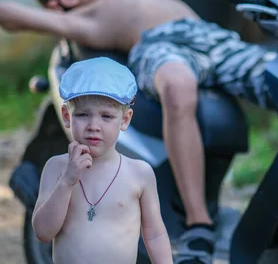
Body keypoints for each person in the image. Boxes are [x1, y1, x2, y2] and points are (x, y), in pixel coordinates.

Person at [0, 0, 276, 264]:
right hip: (161, 45)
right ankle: (199, 222)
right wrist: (56, 14)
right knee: (178, 85)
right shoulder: (82, 17)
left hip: (213, 38)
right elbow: (0, 11)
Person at [32, 57, 173, 264]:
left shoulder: (139, 173)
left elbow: (155, 234)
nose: (93, 125)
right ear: (67, 116)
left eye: (106, 116)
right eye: (82, 114)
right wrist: (67, 182)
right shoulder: (56, 168)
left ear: (125, 119)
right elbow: (43, 232)